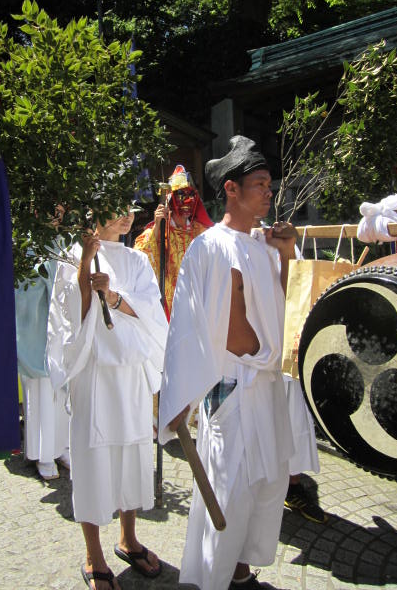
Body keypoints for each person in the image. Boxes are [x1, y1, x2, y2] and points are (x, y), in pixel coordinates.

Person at [159, 135, 297, 590]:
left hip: (268, 384)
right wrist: (178, 395)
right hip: (232, 385)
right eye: (259, 184)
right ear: (231, 190)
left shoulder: (262, 244)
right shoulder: (208, 247)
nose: (269, 192)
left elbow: (281, 308)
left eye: (270, 185)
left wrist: (285, 256)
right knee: (227, 491)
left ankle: (240, 569)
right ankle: (211, 579)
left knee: (266, 483)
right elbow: (186, 325)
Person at [47, 207, 167, 590]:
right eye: (115, 211)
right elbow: (73, 318)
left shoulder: (137, 259)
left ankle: (128, 538)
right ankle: (93, 553)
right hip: (95, 372)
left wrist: (113, 296)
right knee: (93, 458)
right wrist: (85, 262)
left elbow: (152, 311)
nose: (126, 217)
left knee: (132, 452)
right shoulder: (72, 256)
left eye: (129, 209)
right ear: (93, 214)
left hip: (129, 372)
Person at [15, 204, 70, 480]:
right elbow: (22, 290)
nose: (55, 215)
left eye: (59, 211)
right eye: (51, 210)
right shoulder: (26, 242)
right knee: (40, 392)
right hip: (36, 328)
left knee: (62, 391)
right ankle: (42, 453)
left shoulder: (66, 241)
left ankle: (61, 446)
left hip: (63, 328)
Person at [134, 164, 213, 320]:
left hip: (200, 301)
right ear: (171, 199)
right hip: (170, 305)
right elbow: (140, 257)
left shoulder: (202, 232)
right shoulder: (160, 231)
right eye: (181, 194)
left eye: (191, 194)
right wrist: (157, 226)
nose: (188, 200)